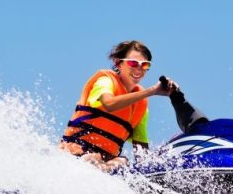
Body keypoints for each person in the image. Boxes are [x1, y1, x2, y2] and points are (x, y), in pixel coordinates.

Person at [60, 40, 178, 171]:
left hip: (105, 166)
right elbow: (109, 104)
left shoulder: (141, 105)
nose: (138, 69)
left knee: (123, 161)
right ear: (118, 63)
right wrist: (152, 91)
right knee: (94, 158)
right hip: (74, 153)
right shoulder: (105, 81)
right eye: (133, 63)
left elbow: (141, 152)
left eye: (144, 65)